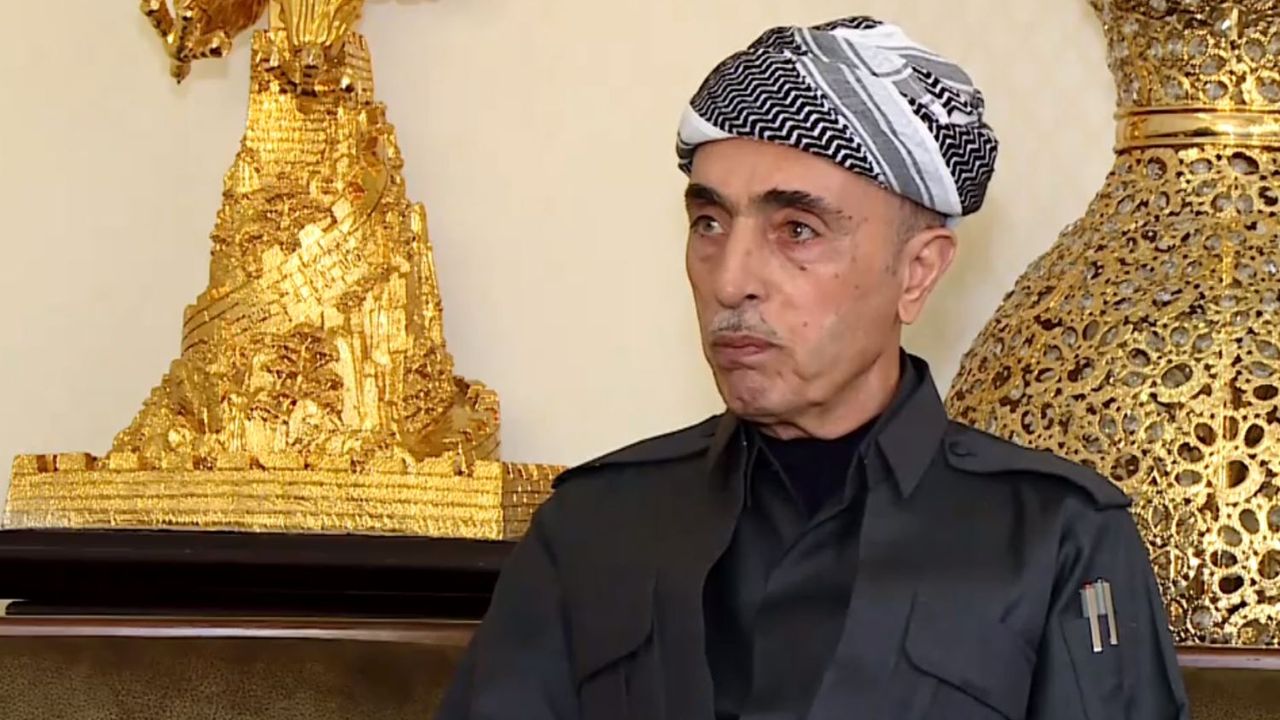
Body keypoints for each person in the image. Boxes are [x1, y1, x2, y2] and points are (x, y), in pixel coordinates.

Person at [436, 15, 1190, 720]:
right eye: (709, 223)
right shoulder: (594, 528)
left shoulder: (1056, 539)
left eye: (797, 230)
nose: (731, 279)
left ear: (917, 272)